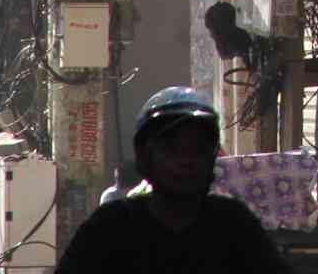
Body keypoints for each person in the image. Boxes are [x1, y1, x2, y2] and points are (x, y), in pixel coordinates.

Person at [56, 87, 288, 274]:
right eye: (171, 149)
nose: (186, 161)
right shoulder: (109, 228)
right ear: (145, 157)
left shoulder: (234, 224)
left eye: (198, 149)